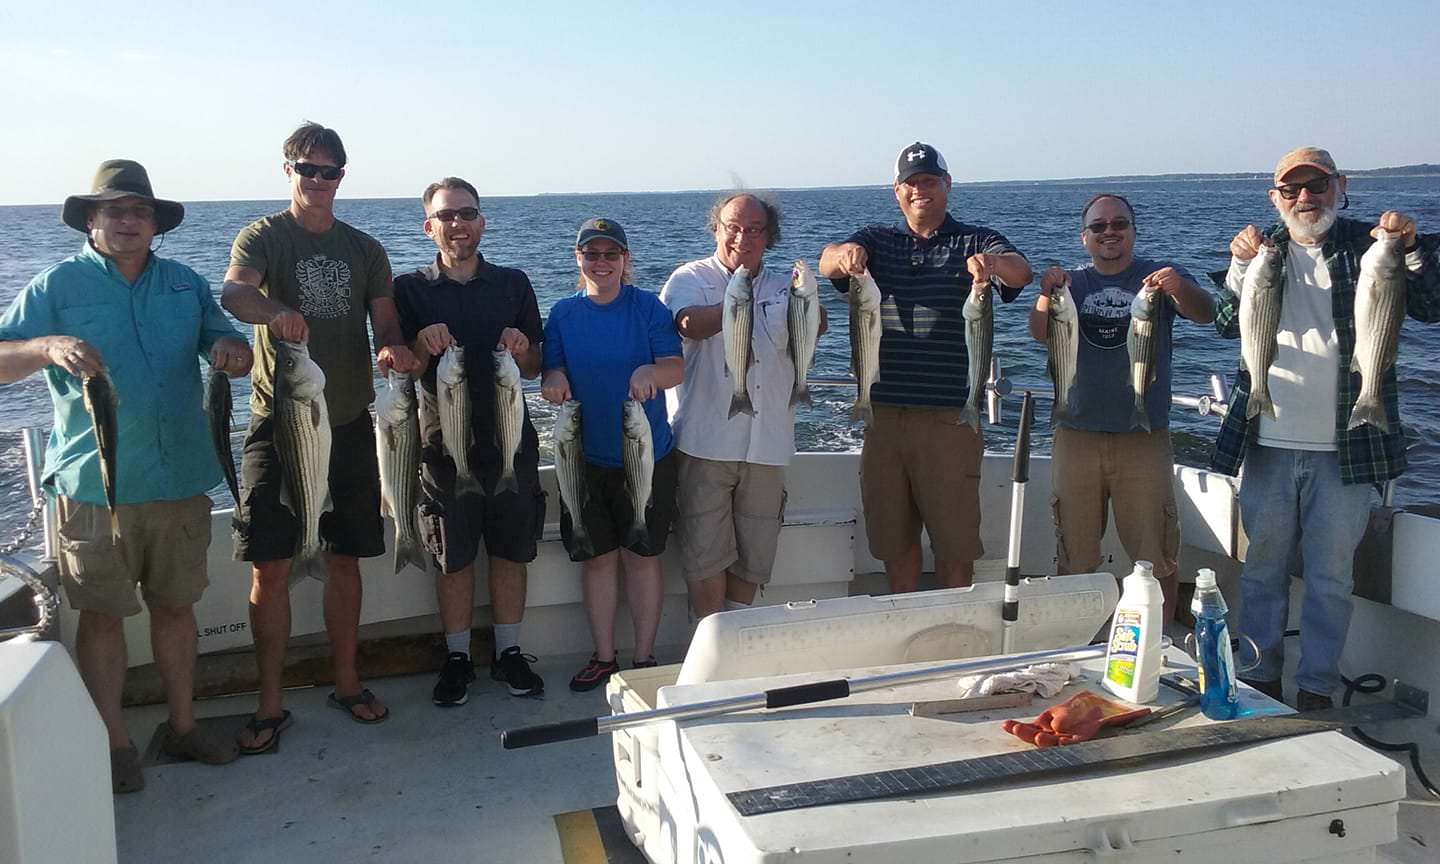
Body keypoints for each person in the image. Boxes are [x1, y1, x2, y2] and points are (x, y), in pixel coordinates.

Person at [0, 160, 252, 791]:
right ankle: (113, 741)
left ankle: (185, 726)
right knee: (104, 616)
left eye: (139, 211)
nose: (129, 221)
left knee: (176, 609)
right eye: (115, 210)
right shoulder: (55, 286)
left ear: (154, 223)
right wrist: (45, 348)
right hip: (91, 489)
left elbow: (231, 347)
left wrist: (233, 352)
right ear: (91, 219)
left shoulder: (184, 283)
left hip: (179, 481)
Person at [1213, 147, 1440, 710]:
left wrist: (1409, 247)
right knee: (1261, 568)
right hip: (1267, 440)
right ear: (1275, 199)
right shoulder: (1261, 250)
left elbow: (1432, 305)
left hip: (1348, 449)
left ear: (1341, 186)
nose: (1304, 199)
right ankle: (1259, 677)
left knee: (1331, 577)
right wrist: (1240, 266)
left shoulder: (1371, 246)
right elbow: (1223, 323)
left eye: (1316, 186)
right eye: (1291, 191)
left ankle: (1316, 686)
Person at [220, 123, 419, 752]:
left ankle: (348, 681)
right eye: (307, 168)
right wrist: (271, 312)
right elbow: (232, 291)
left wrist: (394, 351)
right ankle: (270, 703)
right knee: (271, 566)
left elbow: (385, 323)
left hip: (350, 424)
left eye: (329, 171)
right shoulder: (263, 236)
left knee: (345, 559)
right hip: (279, 423)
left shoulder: (364, 248)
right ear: (288, 171)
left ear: (342, 176)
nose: (317, 180)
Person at [819, 142, 1032, 593]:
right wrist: (844, 257)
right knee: (894, 540)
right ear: (896, 191)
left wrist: (991, 264)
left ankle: (954, 629)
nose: (921, 191)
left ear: (947, 185)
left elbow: (1021, 273)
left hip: (950, 419)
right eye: (911, 184)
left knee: (955, 544)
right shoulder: (876, 240)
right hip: (884, 418)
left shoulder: (975, 238)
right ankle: (906, 621)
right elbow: (827, 260)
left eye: (930, 181)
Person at [393, 177, 546, 704]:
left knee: (510, 552)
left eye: (467, 213)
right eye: (446, 215)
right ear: (429, 226)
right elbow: (401, 364)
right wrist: (418, 342)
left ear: (482, 221)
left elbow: (535, 365)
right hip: (441, 446)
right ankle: (457, 657)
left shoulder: (513, 283)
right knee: (452, 557)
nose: (457, 223)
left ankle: (509, 654)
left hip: (510, 443)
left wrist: (524, 346)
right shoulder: (408, 288)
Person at [1029, 194, 1214, 623]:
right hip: (1076, 435)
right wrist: (1045, 295)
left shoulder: (1159, 278)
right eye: (1098, 227)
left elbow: (1205, 313)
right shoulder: (1071, 284)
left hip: (1144, 438)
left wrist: (1177, 287)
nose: (1109, 232)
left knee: (1156, 554)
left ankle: (1162, 647)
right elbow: (1041, 333)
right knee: (1074, 551)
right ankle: (1073, 639)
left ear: (1133, 230)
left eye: (1119, 224)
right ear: (1085, 238)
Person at [660, 192, 826, 619]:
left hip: (768, 445)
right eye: (733, 226)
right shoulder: (688, 277)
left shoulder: (787, 286)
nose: (742, 237)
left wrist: (813, 312)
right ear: (716, 228)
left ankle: (736, 639)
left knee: (755, 555)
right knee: (704, 556)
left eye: (754, 229)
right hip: (704, 442)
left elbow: (812, 332)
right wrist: (736, 302)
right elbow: (686, 324)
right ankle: (709, 645)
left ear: (769, 237)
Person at [541, 218, 683, 690]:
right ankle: (604, 656)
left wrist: (650, 372)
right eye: (591, 254)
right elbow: (551, 370)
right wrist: (553, 380)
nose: (601, 263)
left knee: (642, 559)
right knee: (598, 560)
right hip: (585, 459)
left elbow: (674, 367)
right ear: (576, 258)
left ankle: (643, 658)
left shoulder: (648, 308)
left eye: (610, 254)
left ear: (625, 260)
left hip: (647, 455)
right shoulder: (562, 313)